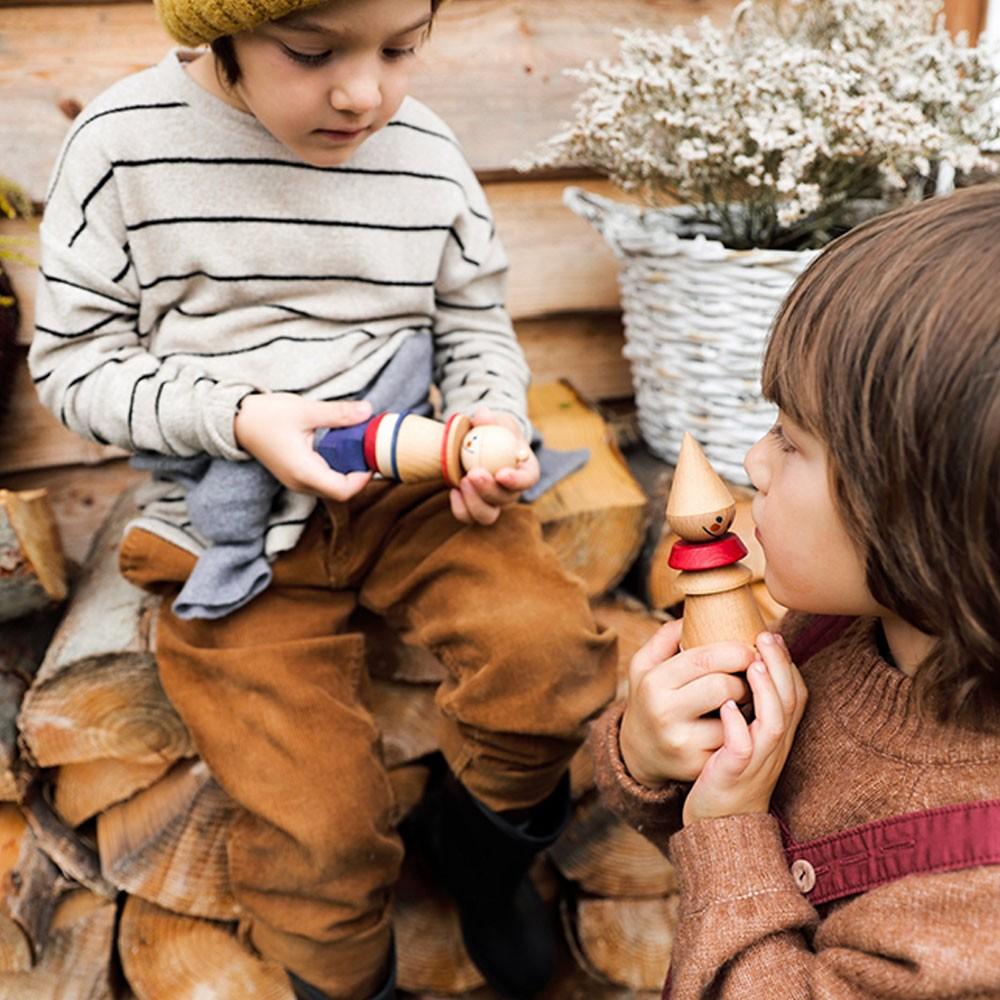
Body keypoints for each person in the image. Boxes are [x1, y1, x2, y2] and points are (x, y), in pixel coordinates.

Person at [28, 1, 618, 997]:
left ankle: (482, 856)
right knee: (316, 828)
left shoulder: (422, 151)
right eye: (311, 53)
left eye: (401, 49)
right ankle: (345, 977)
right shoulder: (124, 147)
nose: (363, 93)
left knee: (548, 657)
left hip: (408, 490)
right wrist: (239, 416)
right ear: (223, 30)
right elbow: (75, 366)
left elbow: (473, 323)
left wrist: (489, 424)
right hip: (231, 525)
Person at [590, 184, 1000, 998]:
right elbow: (716, 800)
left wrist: (729, 835)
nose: (753, 462)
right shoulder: (840, 628)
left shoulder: (976, 908)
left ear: (925, 509)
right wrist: (651, 757)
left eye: (791, 438)